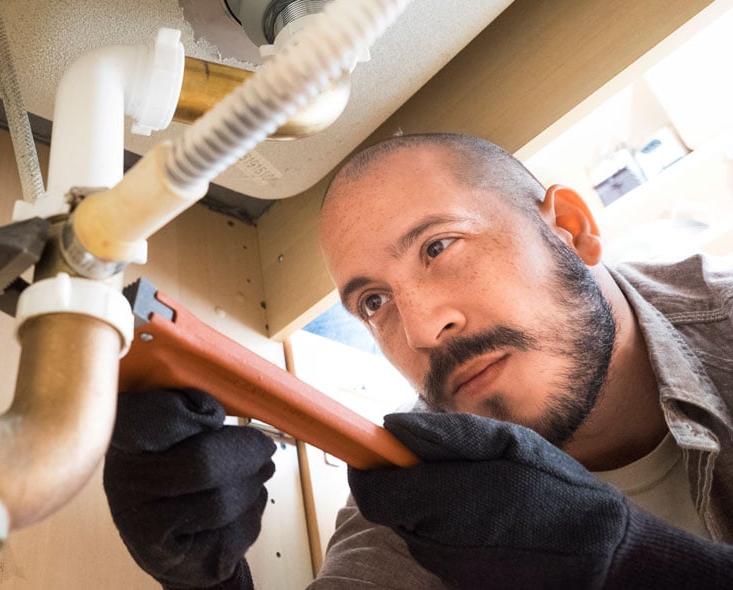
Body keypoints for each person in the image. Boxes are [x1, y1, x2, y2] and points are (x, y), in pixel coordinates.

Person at [102, 133, 733, 589]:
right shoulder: (420, 484)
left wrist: (622, 560)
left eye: (439, 246)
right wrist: (205, 584)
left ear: (569, 228)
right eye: (375, 301)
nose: (427, 329)